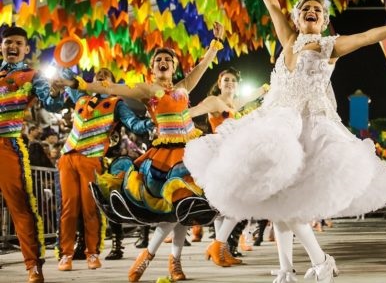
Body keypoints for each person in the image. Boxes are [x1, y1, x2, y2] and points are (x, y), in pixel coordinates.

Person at [184, 0, 386, 283]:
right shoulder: (288, 39)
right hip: (274, 119)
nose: (310, 12)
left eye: (317, 10)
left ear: (324, 19)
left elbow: (368, 36)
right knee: (276, 201)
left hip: (306, 130)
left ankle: (321, 260)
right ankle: (287, 269)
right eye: (305, 10)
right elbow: (272, 4)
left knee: (288, 204)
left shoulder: (329, 46)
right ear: (296, 18)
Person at [54, 23, 225, 282]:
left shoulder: (183, 87)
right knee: (174, 210)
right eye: (159, 60)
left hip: (191, 152)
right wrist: (74, 82)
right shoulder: (147, 89)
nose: (164, 62)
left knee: (183, 212)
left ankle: (174, 263)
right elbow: (111, 89)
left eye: (168, 59)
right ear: (152, 68)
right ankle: (148, 256)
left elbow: (201, 67)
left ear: (175, 67)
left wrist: (215, 43)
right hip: (165, 158)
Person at [56, 68, 154, 272]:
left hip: (92, 159)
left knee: (90, 208)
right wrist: (66, 56)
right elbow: (68, 77)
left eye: (106, 75)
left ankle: (92, 252)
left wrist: (154, 121)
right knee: (68, 208)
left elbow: (134, 124)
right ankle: (65, 255)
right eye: (98, 75)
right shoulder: (81, 96)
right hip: (68, 157)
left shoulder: (117, 104)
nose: (101, 76)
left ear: (112, 82)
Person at [0, 26, 66, 283]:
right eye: (8, 42)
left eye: (18, 42)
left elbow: (52, 103)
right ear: (2, 47)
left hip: (7, 146)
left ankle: (33, 266)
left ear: (26, 48)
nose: (12, 46)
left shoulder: (32, 75)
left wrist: (56, 90)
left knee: (20, 206)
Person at [187, 68, 268, 267]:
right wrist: (170, 116)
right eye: (226, 80)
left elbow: (253, 95)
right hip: (221, 155)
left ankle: (221, 251)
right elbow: (190, 113)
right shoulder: (214, 101)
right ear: (219, 83)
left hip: (235, 155)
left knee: (224, 207)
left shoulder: (234, 103)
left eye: (233, 80)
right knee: (238, 204)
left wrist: (267, 88)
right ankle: (218, 245)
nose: (230, 83)